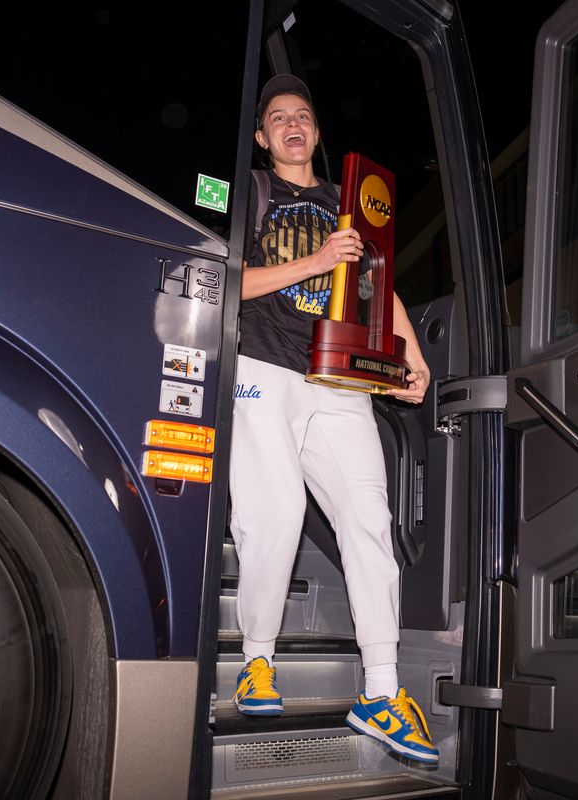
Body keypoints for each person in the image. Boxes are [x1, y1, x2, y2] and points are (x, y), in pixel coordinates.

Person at [229, 74, 438, 763]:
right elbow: (230, 281)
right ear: (263, 137)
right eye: (278, 118)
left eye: (303, 115)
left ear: (316, 132)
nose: (292, 125)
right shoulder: (253, 193)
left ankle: (380, 691)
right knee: (277, 510)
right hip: (264, 365)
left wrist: (410, 356)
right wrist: (317, 260)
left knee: (369, 520)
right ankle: (257, 660)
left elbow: (381, 282)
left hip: (338, 375)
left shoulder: (347, 204)